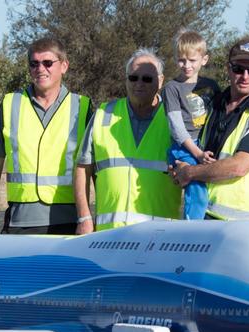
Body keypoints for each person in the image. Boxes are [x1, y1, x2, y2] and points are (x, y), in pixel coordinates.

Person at [0, 37, 91, 235]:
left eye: (48, 63)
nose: (40, 69)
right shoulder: (10, 104)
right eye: (34, 63)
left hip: (70, 221)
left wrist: (88, 218)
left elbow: (95, 168)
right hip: (20, 221)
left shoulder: (82, 107)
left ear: (64, 66)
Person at [170, 37, 249, 222]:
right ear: (228, 68)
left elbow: (239, 167)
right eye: (238, 68)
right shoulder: (212, 105)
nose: (245, 76)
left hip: (242, 227)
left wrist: (190, 172)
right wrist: (179, 167)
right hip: (204, 216)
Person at [73, 48, 181, 233]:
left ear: (160, 81)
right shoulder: (103, 114)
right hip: (110, 235)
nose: (139, 83)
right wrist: (84, 217)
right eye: (133, 77)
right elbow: (82, 168)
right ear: (126, 79)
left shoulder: (174, 119)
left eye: (147, 78)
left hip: (160, 237)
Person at [163, 30, 220, 219]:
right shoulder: (172, 88)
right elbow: (176, 127)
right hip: (185, 148)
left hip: (205, 144)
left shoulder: (211, 85)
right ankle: (192, 230)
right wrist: (197, 153)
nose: (187, 65)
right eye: (182, 60)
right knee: (196, 193)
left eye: (192, 60)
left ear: (204, 59)